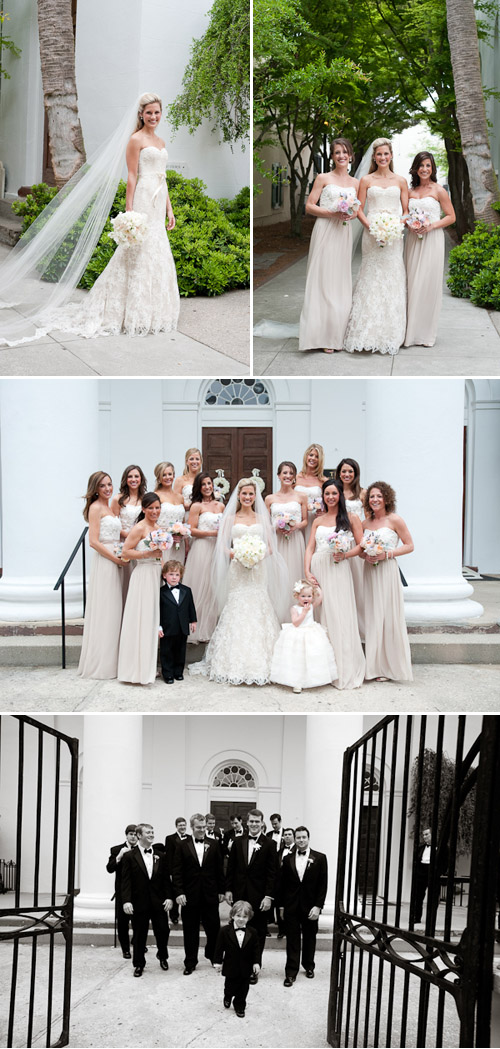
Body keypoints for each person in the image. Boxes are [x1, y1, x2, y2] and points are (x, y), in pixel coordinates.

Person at [0, 93, 180, 346]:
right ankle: (121, 309)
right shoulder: (135, 140)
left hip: (159, 200)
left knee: (156, 249)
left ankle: (153, 310)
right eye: (149, 112)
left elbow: (163, 177)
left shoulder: (160, 142)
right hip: (142, 199)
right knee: (136, 251)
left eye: (157, 112)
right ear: (141, 114)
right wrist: (130, 212)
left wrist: (169, 210)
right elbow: (131, 176)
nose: (153, 117)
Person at [189, 477, 288, 686]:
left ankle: (265, 660)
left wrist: (259, 555)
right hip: (237, 567)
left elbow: (271, 546)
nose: (247, 497)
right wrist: (235, 554)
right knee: (237, 605)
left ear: (255, 496)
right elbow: (222, 545)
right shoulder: (229, 519)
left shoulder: (263, 518)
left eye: (251, 494)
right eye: (244, 493)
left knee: (259, 603)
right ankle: (231, 661)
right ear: (239, 495)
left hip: (258, 569)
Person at [344, 138, 408, 355]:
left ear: (391, 156)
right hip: (371, 234)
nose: (382, 158)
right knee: (370, 276)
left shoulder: (400, 181)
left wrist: (394, 226)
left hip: (393, 236)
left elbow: (406, 211)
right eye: (379, 154)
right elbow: (359, 208)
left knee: (392, 276)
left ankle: (390, 333)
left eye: (386, 154)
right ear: (374, 157)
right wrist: (371, 227)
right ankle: (365, 332)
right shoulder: (366, 180)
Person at [299, 138, 360, 352]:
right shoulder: (323, 178)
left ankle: (336, 333)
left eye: (345, 152)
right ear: (332, 156)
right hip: (325, 229)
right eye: (337, 152)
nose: (341, 156)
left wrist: (348, 215)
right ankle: (320, 335)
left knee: (339, 280)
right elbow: (309, 206)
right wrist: (332, 213)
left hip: (343, 233)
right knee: (322, 279)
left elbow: (356, 212)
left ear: (350, 155)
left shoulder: (356, 183)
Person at [305, 479, 365, 689]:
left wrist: (345, 554)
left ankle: (344, 667)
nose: (330, 497)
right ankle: (324, 669)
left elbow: (361, 546)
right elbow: (310, 548)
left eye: (334, 493)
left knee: (340, 613)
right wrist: (307, 570)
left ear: (340, 495)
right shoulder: (318, 520)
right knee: (323, 615)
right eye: (327, 494)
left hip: (339, 568)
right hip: (319, 568)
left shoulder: (351, 518)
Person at [361, 481, 414, 682]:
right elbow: (360, 551)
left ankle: (390, 666)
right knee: (373, 616)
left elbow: (409, 545)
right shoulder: (365, 523)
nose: (375, 500)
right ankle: (374, 667)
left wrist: (387, 554)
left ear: (387, 499)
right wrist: (366, 556)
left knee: (388, 616)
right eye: (372, 497)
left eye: (379, 496)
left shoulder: (395, 520)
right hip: (369, 571)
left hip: (387, 570)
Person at [404, 151, 456, 348]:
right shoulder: (410, 191)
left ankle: (425, 334)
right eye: (421, 165)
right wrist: (409, 224)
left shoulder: (439, 190)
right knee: (412, 282)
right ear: (415, 168)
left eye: (428, 165)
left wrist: (431, 225)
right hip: (413, 240)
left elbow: (451, 216)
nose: (424, 169)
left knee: (427, 284)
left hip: (432, 238)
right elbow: (404, 215)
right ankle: (410, 331)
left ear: (432, 168)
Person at [77, 471, 123, 680]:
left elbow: (119, 533)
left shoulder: (110, 507)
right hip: (106, 562)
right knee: (107, 609)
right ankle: (102, 664)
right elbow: (94, 542)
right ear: (95, 489)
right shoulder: (96, 508)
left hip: (117, 558)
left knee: (115, 609)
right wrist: (115, 559)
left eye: (109, 485)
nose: (107, 489)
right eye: (103, 486)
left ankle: (113, 660)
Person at [117, 492, 163, 685]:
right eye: (150, 508)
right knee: (141, 619)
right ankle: (136, 669)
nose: (154, 511)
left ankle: (149, 665)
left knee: (153, 620)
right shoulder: (139, 527)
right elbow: (125, 552)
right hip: (143, 575)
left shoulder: (158, 528)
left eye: (157, 507)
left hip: (156, 575)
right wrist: (147, 554)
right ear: (143, 509)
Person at [225, 809, 278, 977]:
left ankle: (254, 968)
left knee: (257, 933)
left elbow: (272, 873)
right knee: (237, 930)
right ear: (247, 822)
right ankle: (237, 965)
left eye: (257, 821)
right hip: (239, 894)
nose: (254, 824)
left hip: (259, 897)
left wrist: (268, 896)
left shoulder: (270, 844)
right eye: (252, 821)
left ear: (262, 823)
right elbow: (231, 868)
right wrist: (228, 889)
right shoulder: (238, 841)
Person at [173, 813, 225, 975]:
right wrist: (179, 892)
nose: (202, 830)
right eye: (199, 827)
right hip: (189, 895)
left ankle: (213, 955)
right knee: (190, 930)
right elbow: (177, 871)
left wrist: (221, 891)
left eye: (204, 827)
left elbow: (219, 869)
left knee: (214, 928)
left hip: (210, 894)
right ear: (192, 827)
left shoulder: (214, 844)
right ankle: (190, 961)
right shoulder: (182, 845)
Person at [121, 823, 173, 977]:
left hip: (159, 902)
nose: (151, 835)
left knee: (163, 930)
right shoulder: (129, 856)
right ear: (139, 836)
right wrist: (126, 901)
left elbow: (166, 880)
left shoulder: (160, 856)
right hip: (139, 902)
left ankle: (162, 955)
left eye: (152, 832)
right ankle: (138, 964)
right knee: (139, 935)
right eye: (148, 832)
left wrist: (169, 898)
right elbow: (126, 881)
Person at [279, 826, 328, 986]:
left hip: (310, 906)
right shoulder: (287, 859)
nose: (300, 840)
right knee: (292, 939)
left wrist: (318, 906)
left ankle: (308, 965)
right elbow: (283, 885)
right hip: (291, 906)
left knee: (309, 937)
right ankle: (291, 972)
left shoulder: (320, 858)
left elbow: (323, 885)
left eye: (303, 837)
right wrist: (282, 907)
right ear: (294, 838)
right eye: (298, 837)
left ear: (308, 838)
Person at [270, 581, 337, 693]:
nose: (306, 599)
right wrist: (304, 613)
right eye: (303, 596)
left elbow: (320, 597)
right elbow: (296, 623)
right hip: (298, 634)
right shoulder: (295, 608)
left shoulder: (311, 606)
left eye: (309, 596)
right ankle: (297, 682)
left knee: (313, 656)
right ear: (297, 596)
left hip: (311, 633)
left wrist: (315, 586)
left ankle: (316, 678)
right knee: (297, 659)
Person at [183, 472, 225, 643]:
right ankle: (195, 629)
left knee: (214, 587)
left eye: (209, 484)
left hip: (217, 549)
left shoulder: (221, 506)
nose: (207, 487)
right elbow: (191, 529)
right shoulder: (196, 506)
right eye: (204, 485)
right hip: (201, 548)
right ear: (199, 488)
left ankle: (210, 629)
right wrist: (212, 533)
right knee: (200, 587)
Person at [265, 462, 308, 621]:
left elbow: (305, 521)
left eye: (291, 473)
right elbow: (266, 523)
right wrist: (276, 526)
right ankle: (277, 616)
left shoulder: (301, 496)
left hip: (295, 540)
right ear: (278, 476)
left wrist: (295, 526)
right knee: (277, 576)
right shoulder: (270, 498)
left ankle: (296, 616)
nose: (288, 476)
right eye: (285, 473)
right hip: (277, 541)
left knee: (294, 574)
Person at [336, 458, 366, 639]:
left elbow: (368, 517)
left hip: (355, 544)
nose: (347, 475)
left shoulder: (362, 493)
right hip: (338, 543)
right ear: (338, 473)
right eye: (344, 471)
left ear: (355, 474)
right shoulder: (335, 492)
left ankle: (359, 627)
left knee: (357, 585)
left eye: (350, 472)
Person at [214, 900, 261, 1018]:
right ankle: (228, 995)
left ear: (249, 917)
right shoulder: (224, 931)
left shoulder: (253, 932)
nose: (241, 919)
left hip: (246, 966)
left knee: (244, 989)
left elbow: (256, 950)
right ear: (232, 915)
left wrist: (256, 963)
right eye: (238, 916)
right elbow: (219, 948)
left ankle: (240, 1005)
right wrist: (218, 962)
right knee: (230, 986)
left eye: (244, 917)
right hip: (230, 965)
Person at [111, 464, 147, 601]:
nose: (133, 479)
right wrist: (129, 536)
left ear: (141, 479)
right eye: (130, 476)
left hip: (141, 544)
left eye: (136, 476)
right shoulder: (118, 499)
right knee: (126, 579)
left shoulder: (145, 499)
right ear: (125, 479)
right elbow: (113, 524)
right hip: (124, 543)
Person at [158, 559, 197, 683]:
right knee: (166, 651)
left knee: (180, 650)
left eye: (177, 575)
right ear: (164, 575)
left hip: (182, 626)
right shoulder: (161, 592)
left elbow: (191, 606)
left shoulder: (187, 590)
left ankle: (178, 672)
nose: (174, 577)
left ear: (181, 576)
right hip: (167, 627)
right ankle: (168, 674)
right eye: (171, 574)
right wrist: (159, 626)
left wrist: (193, 621)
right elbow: (158, 610)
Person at [106, 824, 138, 958]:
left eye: (136, 834)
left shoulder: (142, 849)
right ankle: (125, 949)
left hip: (138, 891)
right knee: (123, 922)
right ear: (126, 835)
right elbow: (109, 868)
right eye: (131, 834)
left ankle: (137, 942)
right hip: (122, 892)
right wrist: (119, 856)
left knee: (138, 921)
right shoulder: (116, 849)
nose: (133, 837)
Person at [411, 827, 449, 926]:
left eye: (427, 834)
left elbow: (446, 861)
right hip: (421, 872)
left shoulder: (442, 848)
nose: (424, 837)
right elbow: (416, 860)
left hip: (433, 873)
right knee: (418, 896)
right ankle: (416, 917)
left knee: (433, 897)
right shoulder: (421, 848)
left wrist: (440, 872)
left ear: (433, 834)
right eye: (423, 835)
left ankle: (431, 918)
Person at [154, 462, 188, 564]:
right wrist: (167, 535)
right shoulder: (156, 496)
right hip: (163, 542)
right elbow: (151, 522)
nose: (167, 477)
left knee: (176, 574)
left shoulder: (180, 497)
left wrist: (185, 542)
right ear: (159, 478)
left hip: (178, 543)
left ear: (173, 475)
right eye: (164, 475)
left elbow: (182, 521)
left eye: (170, 474)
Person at [295, 444, 327, 546]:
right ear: (306, 456)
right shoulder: (296, 478)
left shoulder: (323, 481)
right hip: (298, 518)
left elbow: (330, 502)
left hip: (314, 518)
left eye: (317, 457)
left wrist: (324, 512)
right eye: (311, 455)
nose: (313, 458)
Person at [164, 817, 189, 924]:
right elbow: (169, 856)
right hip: (175, 870)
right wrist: (170, 873)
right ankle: (174, 916)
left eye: (184, 825)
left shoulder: (189, 838)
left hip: (187, 871)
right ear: (176, 826)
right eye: (180, 825)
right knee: (175, 893)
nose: (182, 827)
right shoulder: (170, 839)